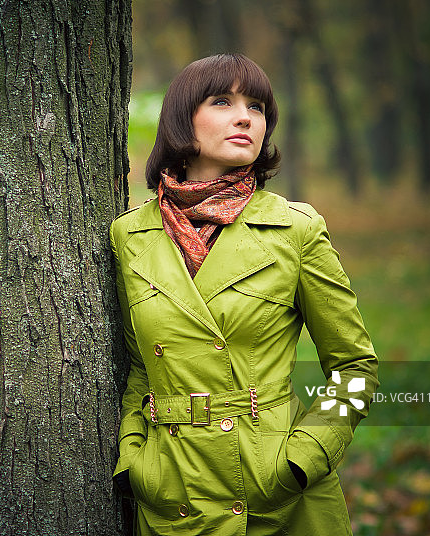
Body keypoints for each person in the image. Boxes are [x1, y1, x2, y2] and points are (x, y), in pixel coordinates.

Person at [109, 54, 379, 535]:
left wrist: (305, 457)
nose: (245, 117)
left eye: (257, 107)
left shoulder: (295, 229)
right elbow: (137, 369)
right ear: (180, 120)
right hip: (173, 493)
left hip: (277, 494)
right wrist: (135, 457)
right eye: (222, 101)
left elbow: (355, 369)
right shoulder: (130, 235)